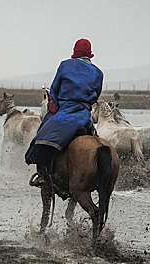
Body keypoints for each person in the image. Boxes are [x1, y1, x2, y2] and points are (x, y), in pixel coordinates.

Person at [25, 38, 103, 187]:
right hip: (84, 113)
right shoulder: (98, 72)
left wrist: (54, 108)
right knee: (95, 138)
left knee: (42, 137)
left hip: (64, 111)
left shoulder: (65, 65)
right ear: (89, 54)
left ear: (74, 52)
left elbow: (54, 89)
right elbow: (96, 94)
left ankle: (42, 175)